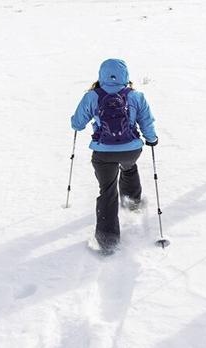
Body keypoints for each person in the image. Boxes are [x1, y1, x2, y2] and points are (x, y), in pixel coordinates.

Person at [70, 58, 158, 254]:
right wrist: (152, 139)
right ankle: (133, 201)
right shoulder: (135, 96)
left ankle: (107, 241)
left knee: (107, 191)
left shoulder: (92, 96)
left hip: (103, 153)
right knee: (129, 166)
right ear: (125, 75)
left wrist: (76, 123)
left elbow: (77, 123)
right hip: (131, 150)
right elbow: (147, 121)